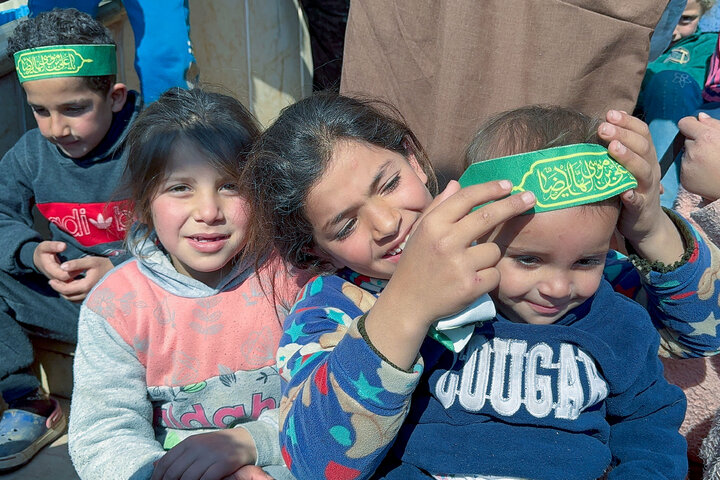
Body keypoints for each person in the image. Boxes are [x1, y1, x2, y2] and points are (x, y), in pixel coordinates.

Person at [243, 92, 720, 479]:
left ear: (412, 158)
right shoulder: (329, 308)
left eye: (388, 184)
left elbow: (699, 334)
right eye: (344, 226)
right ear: (316, 251)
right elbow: (316, 463)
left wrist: (650, 224)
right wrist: (407, 304)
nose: (387, 223)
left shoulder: (536, 253)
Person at [67, 87, 303, 480]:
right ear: (143, 203)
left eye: (230, 185)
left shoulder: (293, 277)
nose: (209, 212)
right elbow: (104, 434)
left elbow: (333, 401)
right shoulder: (116, 306)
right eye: (180, 188)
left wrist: (255, 443)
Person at [0, 8, 141, 470]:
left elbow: (204, 231)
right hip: (73, 308)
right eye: (40, 110)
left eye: (74, 108)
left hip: (153, 310)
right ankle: (25, 397)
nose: (57, 127)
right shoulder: (32, 153)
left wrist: (120, 272)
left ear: (115, 97)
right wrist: (32, 254)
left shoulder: (156, 142)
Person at [636, 0, 718, 208]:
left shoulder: (706, 45)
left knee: (672, 81)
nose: (672, 30)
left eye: (685, 19)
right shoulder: (634, 40)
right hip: (637, 119)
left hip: (688, 121)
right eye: (663, 19)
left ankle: (660, 202)